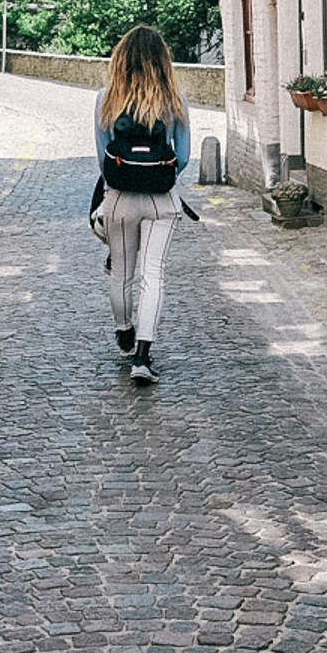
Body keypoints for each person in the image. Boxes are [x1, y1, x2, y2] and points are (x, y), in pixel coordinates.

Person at [92, 26, 192, 385]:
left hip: (119, 199)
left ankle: (124, 329)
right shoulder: (173, 100)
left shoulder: (106, 98)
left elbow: (100, 155)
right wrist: (155, 173)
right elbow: (182, 158)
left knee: (122, 272)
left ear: (120, 59)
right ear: (162, 60)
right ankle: (143, 356)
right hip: (161, 199)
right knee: (154, 274)